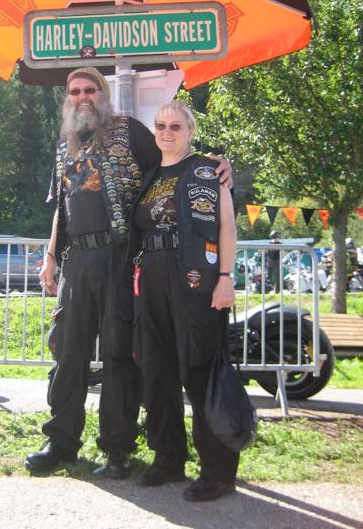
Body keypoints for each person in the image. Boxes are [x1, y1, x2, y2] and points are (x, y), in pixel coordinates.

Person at [24, 68, 232, 479]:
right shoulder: (64, 145)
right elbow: (60, 208)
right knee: (69, 352)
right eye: (75, 91)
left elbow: (174, 160)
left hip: (120, 256)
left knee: (119, 354)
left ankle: (117, 448)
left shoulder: (131, 131)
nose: (83, 96)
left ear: (103, 94)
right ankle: (61, 441)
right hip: (76, 259)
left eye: (90, 89)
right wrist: (50, 256)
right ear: (68, 98)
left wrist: (215, 164)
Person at [128, 99, 238, 502]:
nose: (167, 132)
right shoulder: (150, 174)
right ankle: (168, 458)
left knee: (199, 370)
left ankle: (218, 472)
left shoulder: (207, 171)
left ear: (190, 131)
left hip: (195, 277)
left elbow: (227, 227)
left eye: (176, 126)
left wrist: (225, 277)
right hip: (152, 276)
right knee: (157, 370)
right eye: (161, 125)